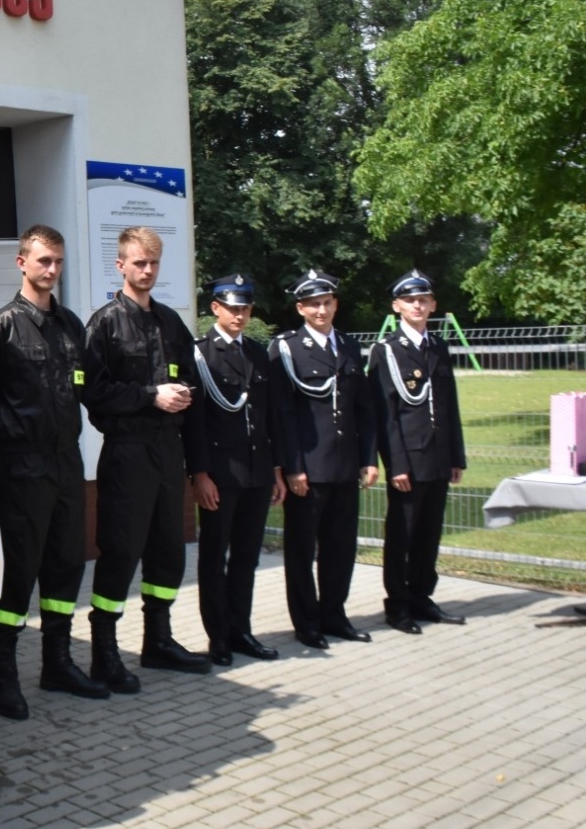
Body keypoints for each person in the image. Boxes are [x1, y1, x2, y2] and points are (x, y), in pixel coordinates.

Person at [0, 224, 110, 722]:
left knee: (67, 563)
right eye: (43, 260)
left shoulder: (72, 326)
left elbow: (90, 391)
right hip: (22, 468)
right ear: (21, 262)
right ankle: (3, 676)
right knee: (19, 572)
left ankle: (58, 663)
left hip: (67, 464)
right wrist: (10, 453)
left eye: (58, 262)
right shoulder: (0, 327)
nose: (51, 270)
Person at [82, 226, 211, 693]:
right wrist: (150, 396)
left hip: (167, 455)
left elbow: (195, 394)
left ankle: (159, 640)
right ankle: (105, 654)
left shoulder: (171, 324)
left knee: (168, 553)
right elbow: (93, 393)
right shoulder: (103, 324)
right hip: (127, 455)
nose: (148, 271)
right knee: (120, 553)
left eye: (154, 263)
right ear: (120, 265)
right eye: (139, 263)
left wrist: (197, 465)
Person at [268, 270, 379, 649]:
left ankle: (335, 615)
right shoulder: (286, 348)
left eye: (327, 302)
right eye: (313, 304)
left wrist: (368, 458)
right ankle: (307, 622)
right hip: (308, 470)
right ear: (300, 308)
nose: (321, 309)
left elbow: (363, 408)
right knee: (302, 550)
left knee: (341, 548)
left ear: (335, 305)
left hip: (345, 466)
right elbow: (283, 414)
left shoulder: (349, 345)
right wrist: (293, 466)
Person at [184, 274, 286, 666]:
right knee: (214, 557)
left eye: (245, 308)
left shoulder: (259, 354)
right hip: (220, 474)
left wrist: (276, 470)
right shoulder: (201, 355)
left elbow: (270, 416)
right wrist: (200, 474)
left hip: (257, 471)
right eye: (232, 308)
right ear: (215, 309)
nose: (240, 315)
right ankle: (219, 636)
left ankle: (242, 630)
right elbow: (195, 423)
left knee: (247, 556)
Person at [369, 269, 467, 634]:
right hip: (407, 461)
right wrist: (396, 464)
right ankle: (398, 605)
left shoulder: (438, 346)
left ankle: (422, 597)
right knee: (402, 535)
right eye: (410, 300)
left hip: (439, 457)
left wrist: (456, 456)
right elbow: (386, 414)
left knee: (429, 534)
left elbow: (449, 404)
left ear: (433, 305)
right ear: (397, 306)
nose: (418, 305)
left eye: (424, 300)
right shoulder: (387, 351)